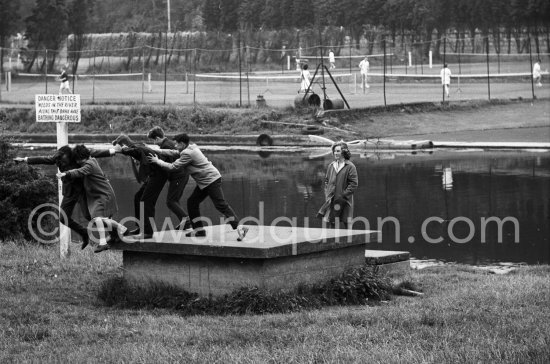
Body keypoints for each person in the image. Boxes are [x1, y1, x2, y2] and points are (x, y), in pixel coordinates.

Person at [147, 133, 248, 240]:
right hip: (206, 181)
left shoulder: (187, 153)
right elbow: (174, 152)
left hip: (211, 180)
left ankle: (240, 227)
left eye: (176, 144)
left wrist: (158, 161)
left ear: (182, 143)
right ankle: (199, 231)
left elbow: (173, 167)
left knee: (220, 204)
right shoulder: (191, 147)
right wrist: (158, 151)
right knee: (192, 202)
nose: (175, 146)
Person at [14, 145, 116, 249]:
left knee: (91, 217)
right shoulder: (57, 158)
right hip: (69, 192)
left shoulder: (77, 155)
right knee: (63, 218)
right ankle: (84, 232)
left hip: (82, 191)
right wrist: (25, 159)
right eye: (60, 160)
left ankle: (115, 233)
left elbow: (95, 153)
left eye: (64, 160)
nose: (61, 163)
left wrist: (112, 151)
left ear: (70, 156)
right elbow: (44, 159)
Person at [57, 145, 127, 253]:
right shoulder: (91, 160)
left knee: (97, 218)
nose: (77, 162)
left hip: (103, 194)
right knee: (98, 219)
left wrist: (66, 173)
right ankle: (118, 232)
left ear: (81, 158)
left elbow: (79, 171)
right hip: (98, 195)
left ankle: (109, 238)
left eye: (77, 159)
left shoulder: (89, 164)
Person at [111, 132, 181, 239]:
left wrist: (119, 147)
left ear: (126, 144)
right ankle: (140, 227)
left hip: (159, 175)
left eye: (123, 145)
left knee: (146, 201)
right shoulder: (137, 147)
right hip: (154, 174)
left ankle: (148, 232)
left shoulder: (137, 148)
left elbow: (128, 149)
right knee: (138, 197)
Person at [147, 126, 191, 230]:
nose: (154, 143)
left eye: (153, 140)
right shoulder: (169, 143)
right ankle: (184, 222)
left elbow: (165, 164)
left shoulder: (166, 145)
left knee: (171, 201)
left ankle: (186, 219)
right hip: (181, 175)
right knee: (174, 200)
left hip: (178, 176)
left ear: (157, 138)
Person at [317, 141, 358, 228]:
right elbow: (327, 182)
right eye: (335, 151)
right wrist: (327, 194)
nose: (335, 153)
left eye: (338, 151)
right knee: (332, 222)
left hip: (345, 200)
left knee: (347, 222)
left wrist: (343, 195)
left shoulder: (350, 166)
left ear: (344, 152)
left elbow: (353, 184)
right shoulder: (331, 166)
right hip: (332, 200)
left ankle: (349, 241)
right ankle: (334, 241)